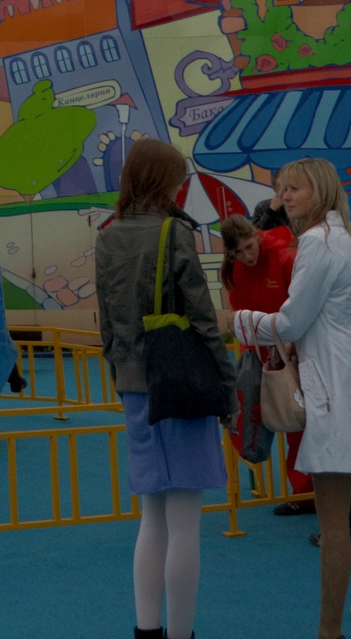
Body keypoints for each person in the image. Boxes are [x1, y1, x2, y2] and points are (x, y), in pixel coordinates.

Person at [233, 156, 351, 639]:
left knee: (335, 521)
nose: (286, 196)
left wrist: (240, 321)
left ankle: (328, 632)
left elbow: (290, 322)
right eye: (283, 188)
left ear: (322, 191)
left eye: (297, 188)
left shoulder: (316, 242)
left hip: (336, 389)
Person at [95, 137, 234, 639]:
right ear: (163, 180)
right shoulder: (174, 234)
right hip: (182, 382)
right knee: (186, 522)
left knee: (150, 516)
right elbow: (201, 316)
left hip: (135, 385)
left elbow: (106, 323)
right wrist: (226, 381)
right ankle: (182, 633)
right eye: (177, 177)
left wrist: (121, 372)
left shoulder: (108, 235)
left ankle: (146, 629)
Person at [219, 214, 315, 515]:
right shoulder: (233, 270)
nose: (247, 256)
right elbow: (240, 316)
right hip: (259, 355)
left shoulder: (284, 254)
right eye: (239, 253)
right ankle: (304, 491)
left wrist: (291, 346)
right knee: (260, 417)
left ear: (257, 237)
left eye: (249, 247)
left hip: (296, 351)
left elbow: (301, 306)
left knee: (297, 422)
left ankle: (308, 493)